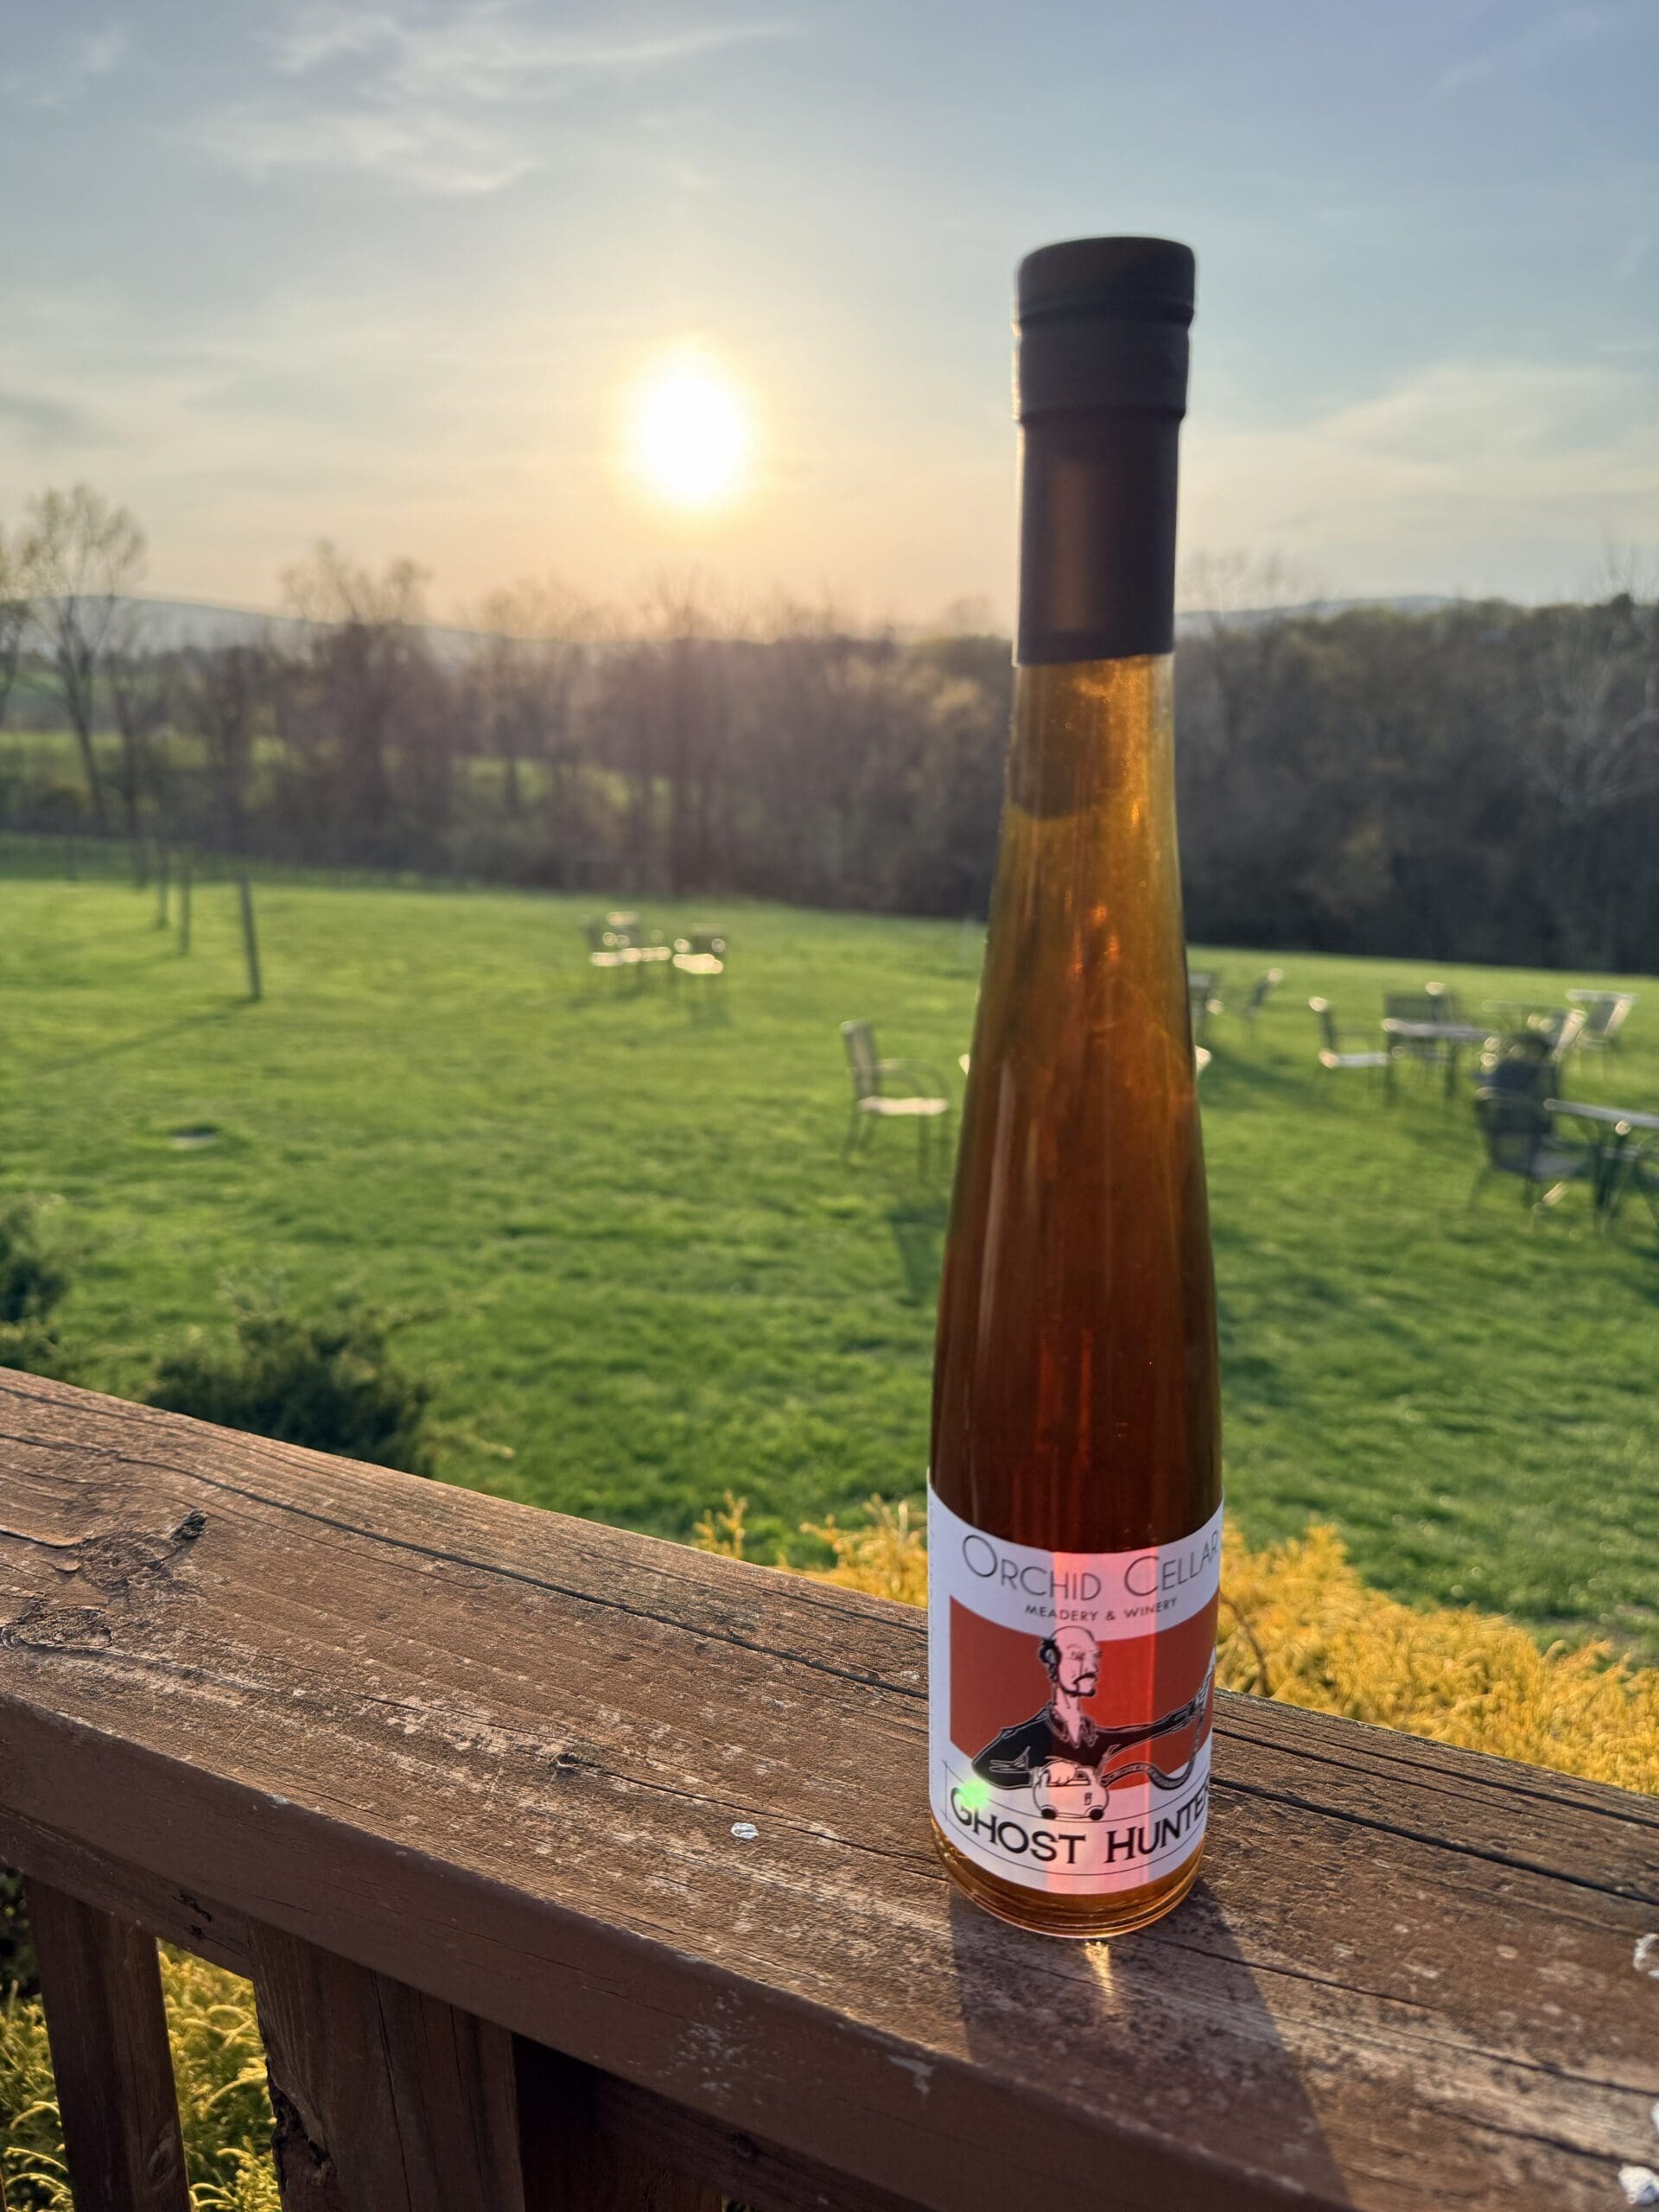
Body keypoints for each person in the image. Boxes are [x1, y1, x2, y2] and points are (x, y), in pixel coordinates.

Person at [973, 1624, 1212, 1794]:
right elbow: (982, 1766)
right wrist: (1038, 1776)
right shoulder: (1031, 1734)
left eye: (1093, 1657)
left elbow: (1146, 1731)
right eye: (1077, 1657)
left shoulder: (1094, 1736)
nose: (1090, 1667)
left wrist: (1189, 1711)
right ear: (1053, 1662)